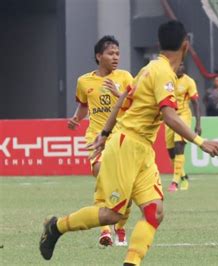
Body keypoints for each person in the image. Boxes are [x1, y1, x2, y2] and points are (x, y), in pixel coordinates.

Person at [39, 20, 218, 265]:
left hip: (141, 149)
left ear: (160, 44)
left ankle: (131, 262)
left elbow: (122, 101)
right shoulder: (163, 73)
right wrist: (200, 141)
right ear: (186, 45)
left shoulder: (149, 68)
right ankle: (56, 227)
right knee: (111, 214)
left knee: (154, 211)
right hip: (127, 145)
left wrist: (104, 134)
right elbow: (169, 115)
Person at [67, 35, 133, 247]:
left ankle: (120, 228)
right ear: (99, 56)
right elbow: (84, 104)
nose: (115, 57)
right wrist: (77, 118)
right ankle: (105, 231)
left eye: (117, 53)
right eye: (111, 53)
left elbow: (137, 104)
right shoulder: (84, 81)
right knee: (101, 177)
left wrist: (119, 94)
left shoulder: (125, 77)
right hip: (97, 138)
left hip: (122, 137)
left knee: (127, 190)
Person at [165, 63, 201, 192]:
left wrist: (198, 123)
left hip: (184, 116)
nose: (181, 67)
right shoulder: (167, 79)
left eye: (182, 65)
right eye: (178, 65)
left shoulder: (189, 81)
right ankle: (184, 177)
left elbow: (196, 103)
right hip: (170, 117)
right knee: (171, 152)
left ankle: (174, 182)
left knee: (179, 145)